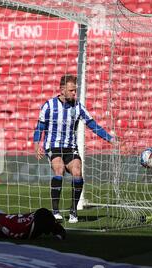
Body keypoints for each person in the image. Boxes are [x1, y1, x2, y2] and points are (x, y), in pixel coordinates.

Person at [33, 74, 117, 223]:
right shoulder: (49, 105)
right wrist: (36, 144)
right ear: (62, 89)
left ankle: (73, 210)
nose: (74, 93)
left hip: (70, 147)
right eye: (71, 90)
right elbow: (40, 126)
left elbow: (93, 125)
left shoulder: (78, 107)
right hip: (53, 146)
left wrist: (110, 138)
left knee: (77, 173)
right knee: (59, 170)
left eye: (75, 90)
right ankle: (56, 211)